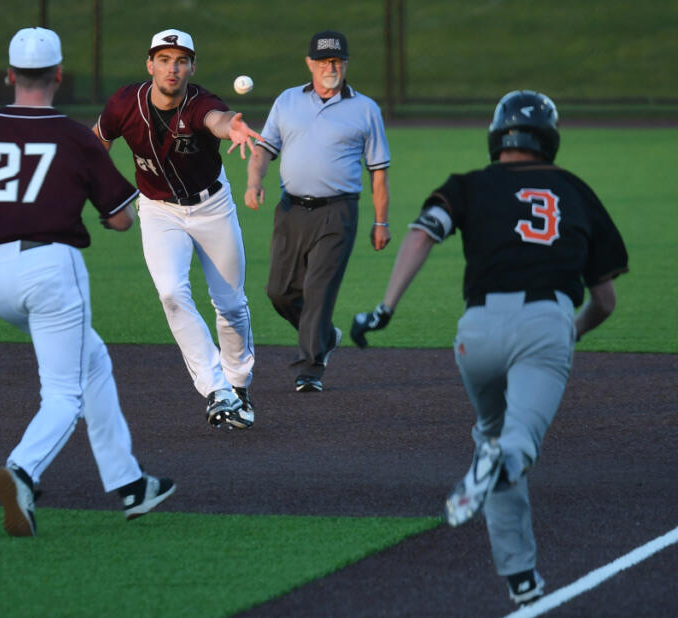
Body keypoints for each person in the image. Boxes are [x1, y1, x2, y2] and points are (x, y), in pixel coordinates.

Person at [350, 90, 628, 606]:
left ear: (497, 135)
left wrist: (384, 308)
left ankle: (521, 575)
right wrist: (575, 329)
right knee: (519, 443)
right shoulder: (573, 189)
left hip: (475, 332)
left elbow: (420, 236)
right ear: (548, 137)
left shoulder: (468, 185)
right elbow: (605, 300)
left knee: (494, 439)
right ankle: (495, 468)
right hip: (545, 321)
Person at [0, 27, 176, 537]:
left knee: (93, 360)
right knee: (64, 395)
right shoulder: (70, 136)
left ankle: (131, 485)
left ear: (9, 74)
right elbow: (120, 219)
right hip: (53, 272)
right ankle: (22, 471)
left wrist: (0, 216)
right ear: (59, 76)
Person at [93, 29, 259, 429]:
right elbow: (97, 139)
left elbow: (215, 120)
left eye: (181, 60)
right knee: (171, 292)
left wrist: (230, 127)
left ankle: (239, 385)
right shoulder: (124, 104)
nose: (173, 67)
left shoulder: (202, 102)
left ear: (192, 67)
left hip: (212, 207)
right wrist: (100, 190)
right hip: (158, 211)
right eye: (164, 59)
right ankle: (216, 390)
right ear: (150, 65)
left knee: (231, 305)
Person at [245, 30, 391, 393]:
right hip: (291, 209)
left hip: (338, 212)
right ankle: (325, 335)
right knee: (279, 292)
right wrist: (254, 181)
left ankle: (310, 367)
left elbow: (379, 173)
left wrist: (381, 221)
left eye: (338, 60)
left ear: (346, 64)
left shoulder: (365, 109)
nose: (331, 66)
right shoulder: (287, 101)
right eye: (324, 60)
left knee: (318, 290)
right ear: (310, 63)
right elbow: (264, 149)